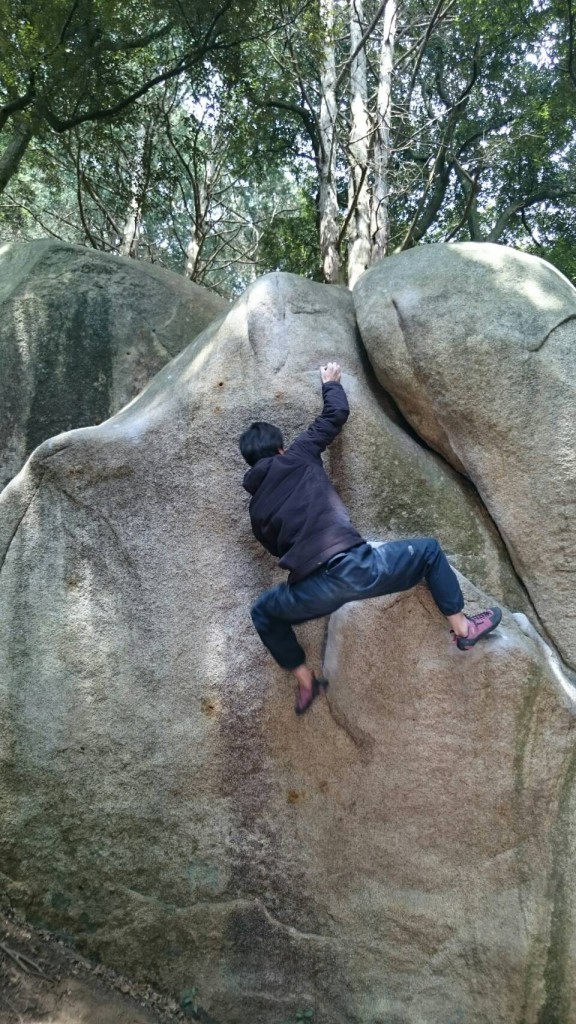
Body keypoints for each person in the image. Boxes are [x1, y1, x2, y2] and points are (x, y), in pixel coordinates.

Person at [240, 362, 502, 715]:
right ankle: (463, 627)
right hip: (358, 569)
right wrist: (329, 382)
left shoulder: (256, 510)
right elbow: (335, 415)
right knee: (428, 551)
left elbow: (274, 547)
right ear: (280, 449)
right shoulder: (299, 456)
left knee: (263, 612)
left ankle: (306, 681)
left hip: (311, 593)